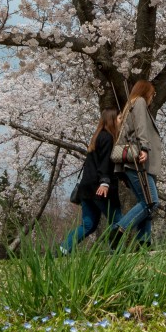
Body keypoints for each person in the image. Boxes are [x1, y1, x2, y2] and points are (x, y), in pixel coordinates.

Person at [108, 79, 164, 247]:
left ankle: (143, 242)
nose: (152, 97)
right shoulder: (139, 102)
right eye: (153, 94)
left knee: (145, 202)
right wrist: (145, 148)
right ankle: (118, 229)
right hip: (139, 162)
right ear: (146, 91)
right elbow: (140, 127)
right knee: (151, 202)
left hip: (133, 163)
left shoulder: (129, 107)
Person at [60, 108, 121, 252]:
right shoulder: (108, 138)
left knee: (88, 225)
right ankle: (116, 252)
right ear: (111, 120)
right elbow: (105, 162)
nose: (121, 121)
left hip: (86, 189)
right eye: (119, 118)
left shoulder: (97, 137)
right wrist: (105, 182)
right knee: (118, 221)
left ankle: (63, 248)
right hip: (100, 188)